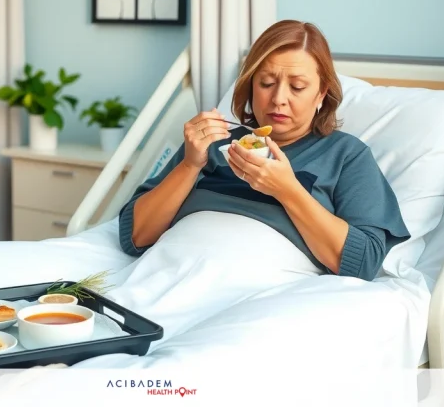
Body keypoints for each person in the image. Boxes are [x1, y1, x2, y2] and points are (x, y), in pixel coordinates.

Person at [117, 20, 411, 281]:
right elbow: (136, 237)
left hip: (252, 295)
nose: (278, 99)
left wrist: (287, 191)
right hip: (164, 276)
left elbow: (363, 263)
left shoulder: (346, 155)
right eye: (267, 83)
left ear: (321, 94)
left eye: (297, 87)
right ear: (250, 87)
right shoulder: (214, 141)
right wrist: (190, 165)